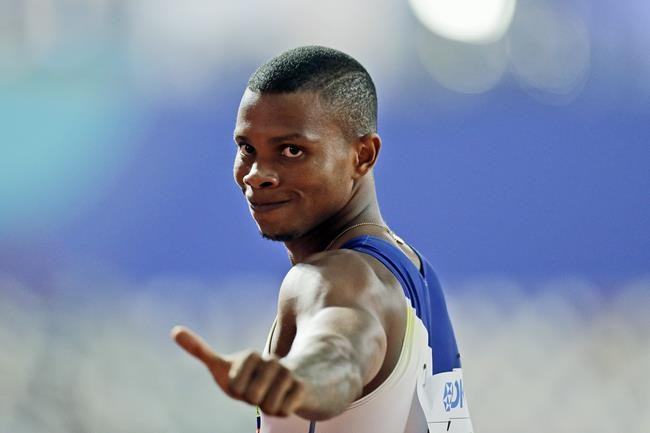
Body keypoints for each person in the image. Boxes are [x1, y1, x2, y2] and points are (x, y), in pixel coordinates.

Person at [171, 45, 473, 433]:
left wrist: (299, 378)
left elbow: (341, 348)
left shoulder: (334, 278)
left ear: (363, 155)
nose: (257, 174)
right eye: (247, 148)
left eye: (291, 150)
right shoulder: (413, 271)